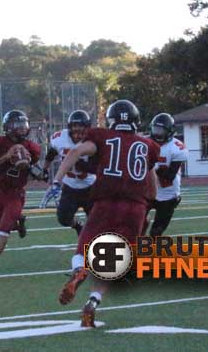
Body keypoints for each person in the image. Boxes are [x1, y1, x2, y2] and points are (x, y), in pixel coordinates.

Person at [56, 99, 159, 328]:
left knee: (84, 247)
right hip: (135, 208)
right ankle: (93, 301)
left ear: (111, 119)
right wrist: (149, 205)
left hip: (106, 202)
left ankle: (79, 270)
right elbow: (152, 181)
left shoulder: (102, 136)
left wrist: (56, 180)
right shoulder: (147, 145)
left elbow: (76, 151)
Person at [0, 109, 42, 280]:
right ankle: (19, 222)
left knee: (4, 230)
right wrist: (6, 157)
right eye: (18, 125)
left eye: (24, 124)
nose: (22, 128)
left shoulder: (30, 147)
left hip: (16, 193)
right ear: (8, 127)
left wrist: (31, 167)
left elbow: (38, 174)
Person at [43, 110, 96, 236]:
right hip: (70, 186)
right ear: (69, 128)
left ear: (88, 129)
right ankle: (77, 225)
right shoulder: (60, 138)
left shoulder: (94, 140)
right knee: (63, 218)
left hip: (91, 186)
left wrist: (83, 166)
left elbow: (98, 165)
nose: (77, 134)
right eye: (74, 129)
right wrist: (45, 169)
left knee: (97, 221)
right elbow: (51, 153)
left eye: (81, 130)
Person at [145, 113, 188, 236]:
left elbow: (169, 177)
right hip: (148, 192)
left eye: (161, 131)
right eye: (156, 129)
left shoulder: (177, 147)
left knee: (156, 232)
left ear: (169, 131)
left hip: (168, 193)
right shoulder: (144, 143)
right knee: (138, 224)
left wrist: (152, 168)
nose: (158, 134)